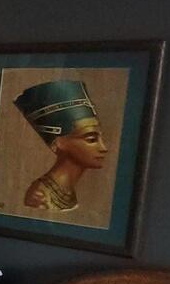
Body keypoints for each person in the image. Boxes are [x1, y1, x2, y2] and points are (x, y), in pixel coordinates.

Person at [11, 79, 109, 212]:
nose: (104, 148)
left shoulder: (66, 190)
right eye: (91, 139)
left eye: (100, 138)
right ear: (59, 143)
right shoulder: (40, 198)